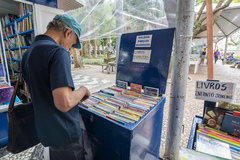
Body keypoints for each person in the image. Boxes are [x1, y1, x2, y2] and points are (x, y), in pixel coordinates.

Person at [21, 14, 90, 160]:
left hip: (47, 131)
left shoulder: (28, 53)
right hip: (65, 133)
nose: (70, 48)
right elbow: (64, 103)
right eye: (72, 43)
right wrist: (83, 89)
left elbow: (34, 94)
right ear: (68, 33)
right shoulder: (58, 52)